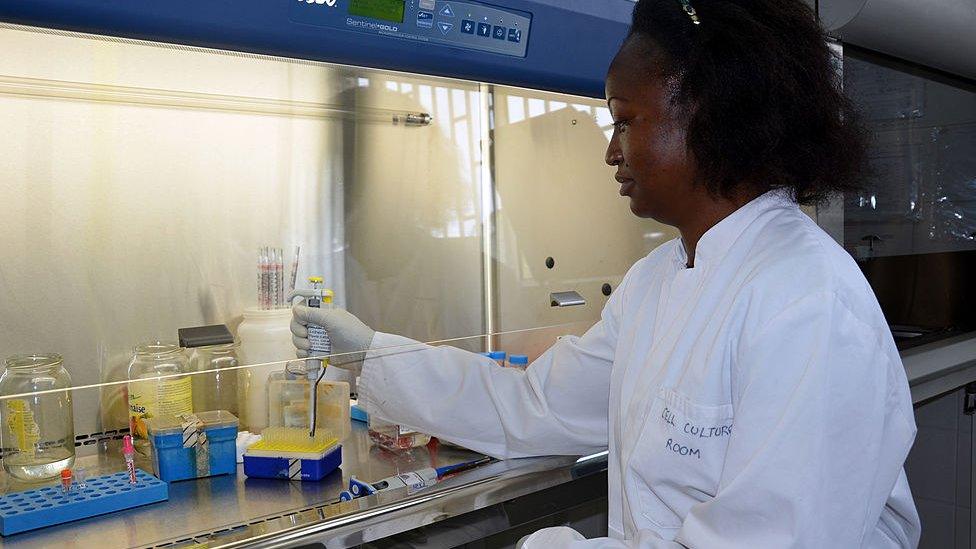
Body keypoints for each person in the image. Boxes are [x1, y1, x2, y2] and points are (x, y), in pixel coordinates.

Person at [292, 0, 921, 546]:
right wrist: (369, 354)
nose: (610, 150)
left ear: (715, 115)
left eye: (625, 119)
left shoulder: (807, 299)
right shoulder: (657, 281)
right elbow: (532, 407)